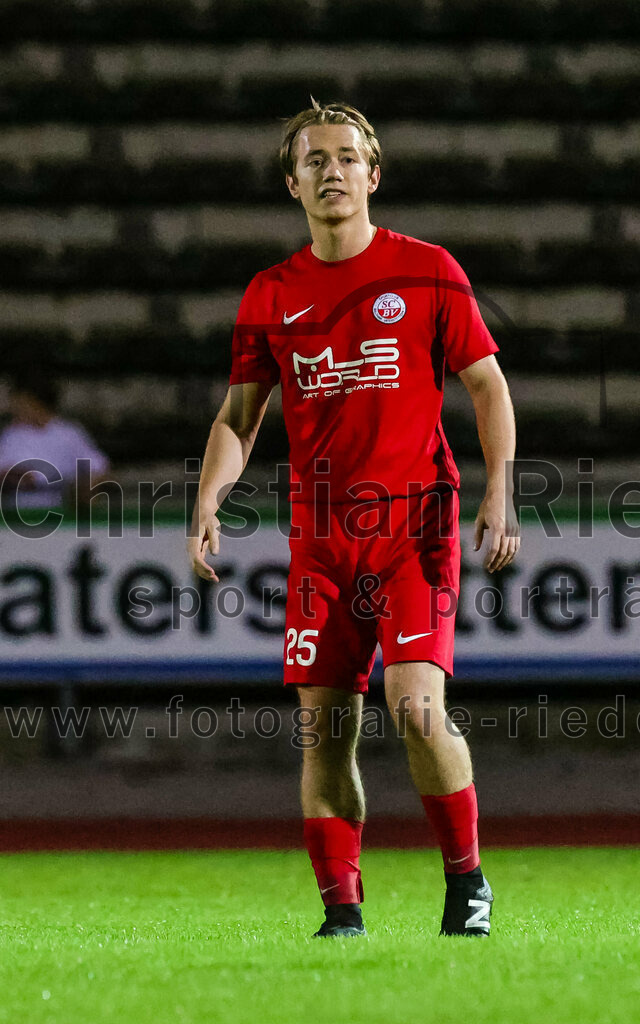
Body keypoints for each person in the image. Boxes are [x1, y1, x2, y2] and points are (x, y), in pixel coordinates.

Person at [187, 99, 520, 939]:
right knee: (323, 730)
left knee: (415, 707)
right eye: (315, 160)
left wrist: (499, 486)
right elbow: (239, 416)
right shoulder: (271, 293)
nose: (331, 171)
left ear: (373, 175)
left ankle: (466, 882)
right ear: (291, 182)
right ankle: (343, 913)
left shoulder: (428, 270)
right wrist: (207, 495)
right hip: (322, 541)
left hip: (415, 526)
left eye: (346, 157)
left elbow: (486, 384)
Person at [0, 368, 109, 511]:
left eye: (20, 402)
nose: (14, 409)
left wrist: (80, 489)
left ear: (33, 402)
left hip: (60, 518)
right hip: (16, 517)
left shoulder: (69, 433)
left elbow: (100, 469)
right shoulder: (11, 435)